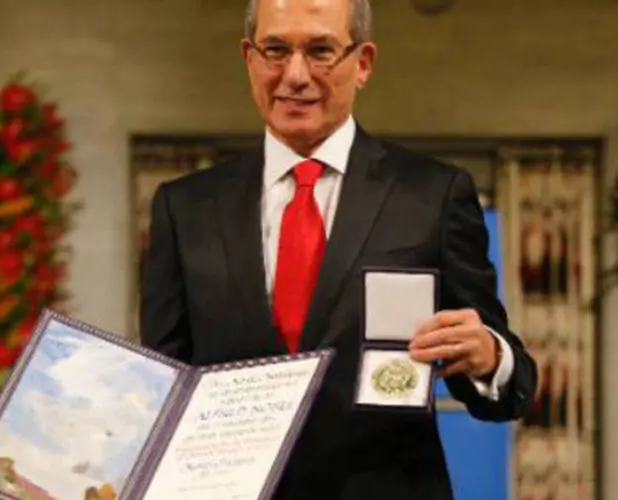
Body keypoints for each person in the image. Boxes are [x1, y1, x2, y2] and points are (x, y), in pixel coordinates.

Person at [140, 0, 538, 498]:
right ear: (249, 58)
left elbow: (508, 385)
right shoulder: (185, 207)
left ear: (363, 62)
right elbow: (163, 384)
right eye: (276, 50)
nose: (295, 75)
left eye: (321, 50)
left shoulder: (431, 196)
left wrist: (488, 358)